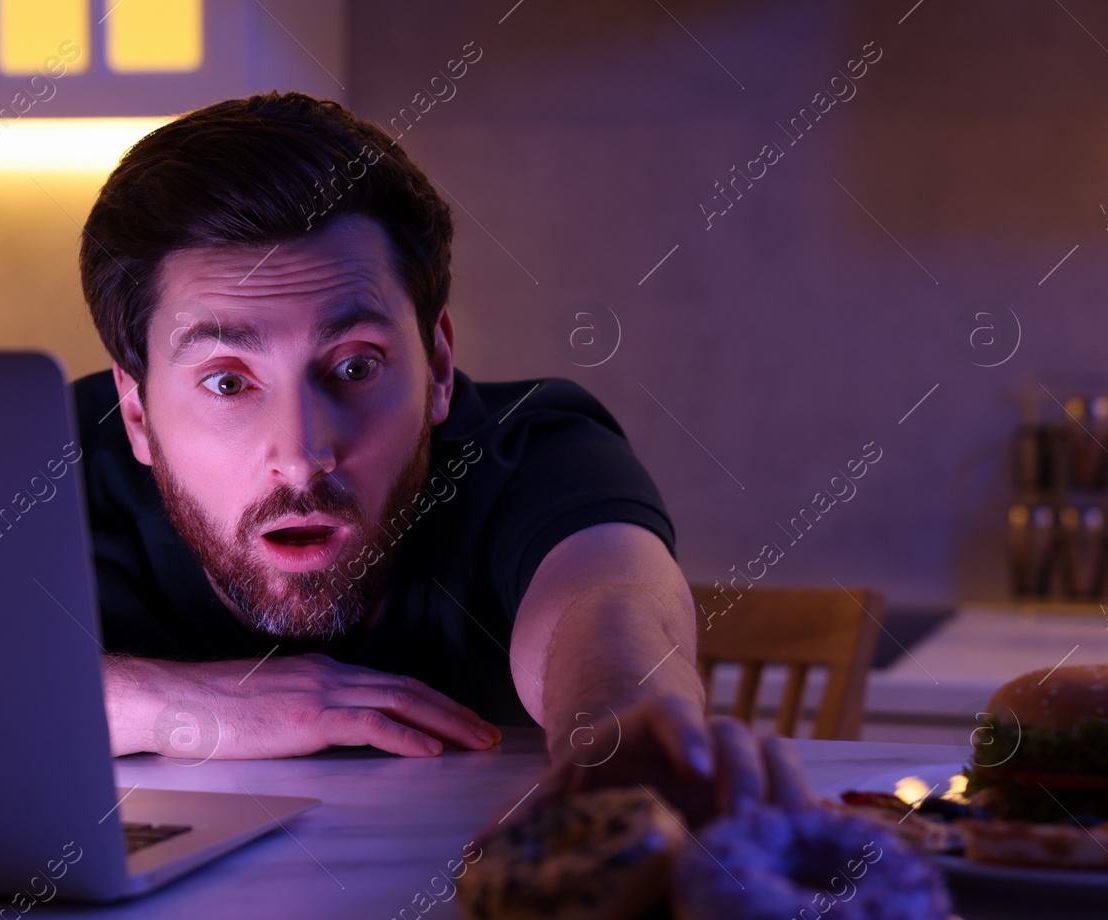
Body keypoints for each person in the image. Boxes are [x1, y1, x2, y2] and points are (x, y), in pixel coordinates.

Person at [72, 91, 804, 822]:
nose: (301, 458)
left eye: (356, 367)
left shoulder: (536, 451)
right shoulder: (42, 465)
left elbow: (609, 606)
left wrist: (623, 721)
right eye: (228, 382)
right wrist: (174, 703)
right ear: (137, 411)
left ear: (440, 366)